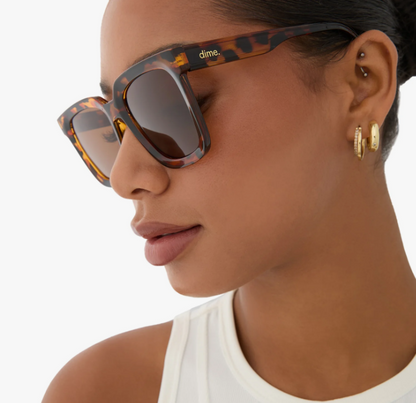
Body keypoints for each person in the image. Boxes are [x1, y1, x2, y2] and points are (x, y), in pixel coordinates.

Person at [43, 0, 416, 401]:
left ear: (363, 84)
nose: (124, 178)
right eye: (113, 126)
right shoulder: (105, 392)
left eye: (171, 103)